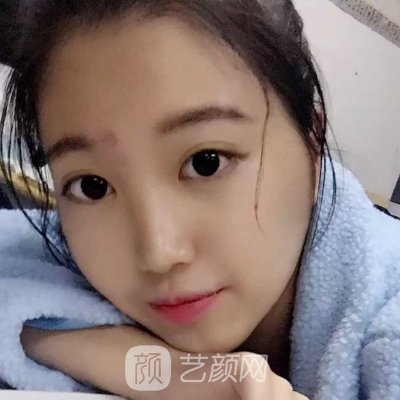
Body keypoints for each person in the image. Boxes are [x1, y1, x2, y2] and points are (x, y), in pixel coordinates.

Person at [1, 1, 400, 399]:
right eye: (92, 186)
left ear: (312, 146)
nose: (159, 253)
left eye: (206, 163)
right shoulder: (47, 248)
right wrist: (163, 370)